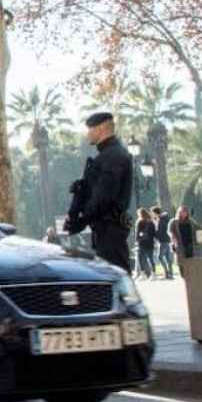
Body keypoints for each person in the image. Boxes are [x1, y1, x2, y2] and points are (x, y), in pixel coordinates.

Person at [65, 112, 135, 273]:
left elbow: (104, 196)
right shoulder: (108, 155)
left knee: (116, 276)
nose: (88, 133)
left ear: (101, 129)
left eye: (90, 129)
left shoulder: (113, 156)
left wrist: (82, 220)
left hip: (110, 229)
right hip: (105, 229)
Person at [134, 208, 158, 279]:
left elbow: (137, 233)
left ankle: (143, 274)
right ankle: (153, 274)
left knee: (140, 259)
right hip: (150, 243)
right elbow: (154, 233)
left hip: (142, 243)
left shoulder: (139, 222)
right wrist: (155, 241)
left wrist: (136, 241)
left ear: (140, 214)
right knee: (151, 259)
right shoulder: (151, 222)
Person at [153, 206, 175, 279]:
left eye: (153, 213)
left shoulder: (161, 220)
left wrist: (155, 234)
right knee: (167, 258)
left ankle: (167, 272)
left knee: (160, 257)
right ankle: (170, 274)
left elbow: (161, 231)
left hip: (163, 241)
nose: (153, 215)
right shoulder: (163, 218)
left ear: (155, 213)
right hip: (166, 240)